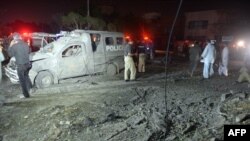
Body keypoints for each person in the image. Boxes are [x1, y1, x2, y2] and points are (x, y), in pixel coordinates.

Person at [8, 33, 32, 98]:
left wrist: (10, 45)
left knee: (22, 80)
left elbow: (10, 54)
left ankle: (26, 95)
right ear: (20, 38)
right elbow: (29, 51)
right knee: (26, 76)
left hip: (21, 66)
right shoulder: (26, 44)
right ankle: (31, 88)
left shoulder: (14, 46)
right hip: (28, 64)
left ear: (14, 39)